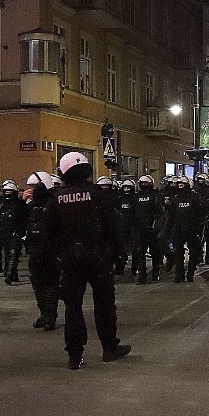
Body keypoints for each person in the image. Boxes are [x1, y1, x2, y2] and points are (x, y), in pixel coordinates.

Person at [41, 152, 130, 370]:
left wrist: (49, 263)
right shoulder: (98, 193)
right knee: (105, 305)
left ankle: (74, 355)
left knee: (73, 307)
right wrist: (119, 254)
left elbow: (47, 234)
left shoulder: (57, 198)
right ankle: (109, 348)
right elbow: (113, 226)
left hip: (70, 260)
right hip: (98, 258)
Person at [24, 171, 59, 330]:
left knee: (51, 283)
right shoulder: (32, 204)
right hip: (35, 248)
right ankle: (44, 313)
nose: (30, 189)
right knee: (37, 283)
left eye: (33, 186)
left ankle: (50, 315)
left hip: (50, 249)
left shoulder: (53, 202)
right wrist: (21, 202)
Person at [0, 179, 28, 283]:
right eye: (6, 191)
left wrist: (22, 231)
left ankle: (10, 274)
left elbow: (24, 217)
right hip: (0, 230)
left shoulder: (19, 203)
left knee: (12, 253)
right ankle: (0, 269)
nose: (8, 194)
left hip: (14, 231)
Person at [164, 176, 203, 283]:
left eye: (182, 185)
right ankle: (179, 274)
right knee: (178, 253)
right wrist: (168, 229)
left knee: (193, 252)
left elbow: (200, 213)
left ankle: (190, 273)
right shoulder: (175, 198)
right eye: (179, 185)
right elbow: (171, 215)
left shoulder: (194, 197)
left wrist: (199, 228)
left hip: (192, 229)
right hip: (178, 229)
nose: (180, 187)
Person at [133, 175, 165, 283]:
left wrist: (156, 225)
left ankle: (156, 272)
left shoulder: (155, 196)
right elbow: (133, 212)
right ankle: (142, 275)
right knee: (140, 252)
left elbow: (160, 213)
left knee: (155, 252)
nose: (143, 185)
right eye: (142, 183)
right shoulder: (136, 197)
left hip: (152, 229)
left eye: (146, 183)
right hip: (140, 229)